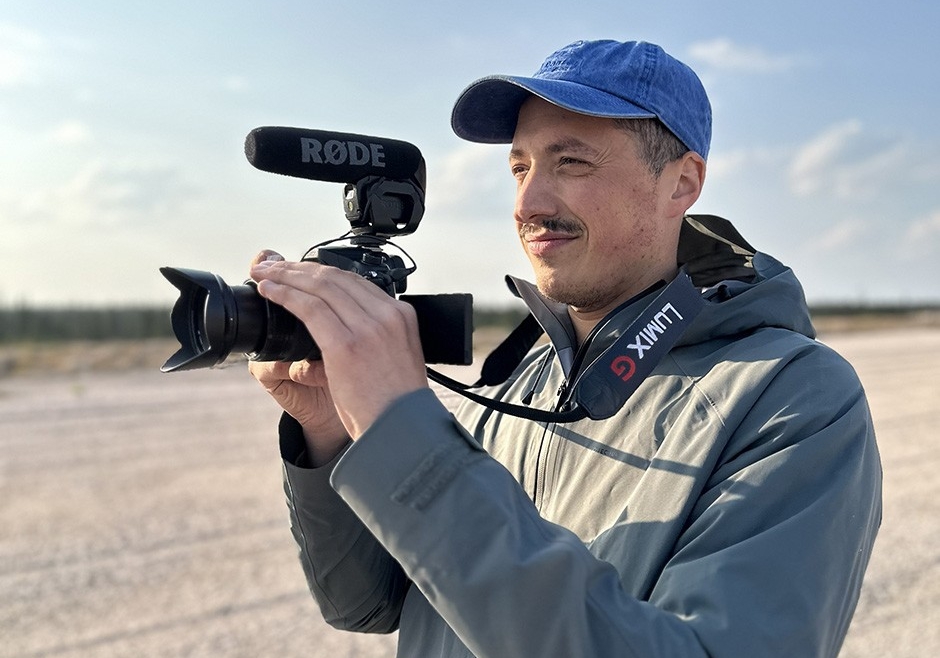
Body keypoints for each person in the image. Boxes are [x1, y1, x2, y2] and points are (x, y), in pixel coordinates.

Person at [247, 40, 882, 657]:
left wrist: (405, 434)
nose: (529, 201)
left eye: (571, 162)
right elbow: (369, 605)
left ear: (682, 183)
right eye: (519, 166)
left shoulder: (794, 399)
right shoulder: (523, 380)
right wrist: (333, 434)